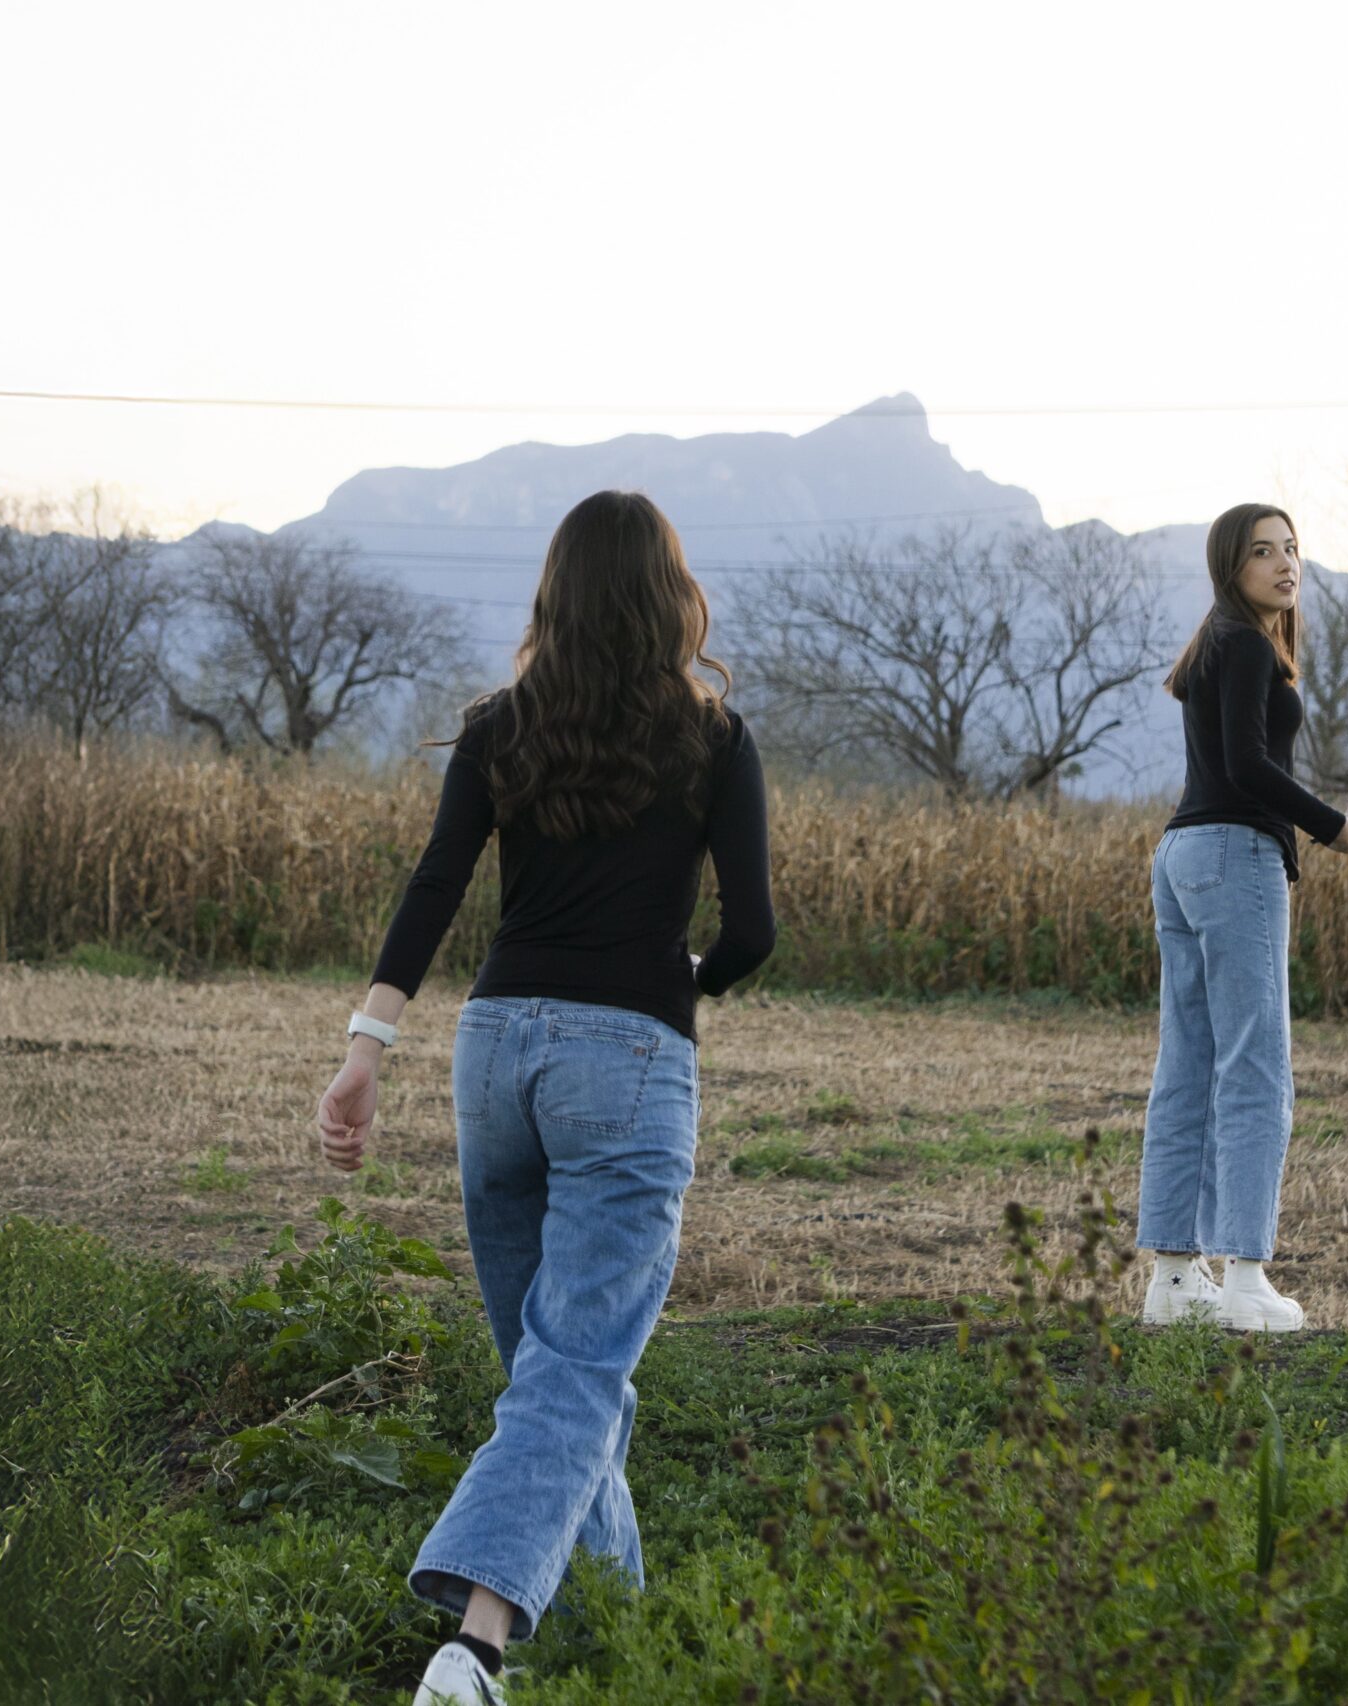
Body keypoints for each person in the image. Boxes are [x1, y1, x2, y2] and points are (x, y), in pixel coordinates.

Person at [312, 490, 774, 1706]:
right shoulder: (714, 739)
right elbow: (753, 931)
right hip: (626, 1059)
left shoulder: (499, 728)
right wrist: (685, 978)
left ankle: (614, 1618)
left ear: (555, 593)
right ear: (672, 595)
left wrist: (366, 1047)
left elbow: (433, 885)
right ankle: (474, 1646)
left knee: (555, 1364)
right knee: (572, 1367)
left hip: (495, 1050)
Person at [1137, 503, 1348, 1333]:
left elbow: (1233, 761)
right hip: (1234, 855)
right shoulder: (1243, 643)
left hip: (1182, 854)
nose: (1285, 562)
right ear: (1230, 567)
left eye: (1292, 548)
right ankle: (1243, 1279)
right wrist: (1332, 826)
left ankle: (1173, 1280)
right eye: (1263, 551)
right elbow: (1247, 765)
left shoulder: (1216, 643)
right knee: (1256, 1066)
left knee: (1190, 1064)